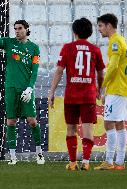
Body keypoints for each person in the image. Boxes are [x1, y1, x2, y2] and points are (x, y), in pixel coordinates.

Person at [0, 20, 45, 165]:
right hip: (10, 88)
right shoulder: (8, 43)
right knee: (11, 121)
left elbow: (34, 70)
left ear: (26, 29)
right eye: (15, 29)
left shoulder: (34, 48)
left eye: (20, 28)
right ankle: (13, 157)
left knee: (32, 121)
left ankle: (40, 154)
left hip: (26, 89)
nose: (17, 31)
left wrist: (30, 87)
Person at [48, 17, 105, 171]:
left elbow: (59, 71)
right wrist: (99, 89)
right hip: (88, 95)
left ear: (74, 32)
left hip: (71, 95)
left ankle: (73, 162)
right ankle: (86, 162)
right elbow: (101, 74)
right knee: (88, 129)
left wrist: (52, 91)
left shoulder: (67, 48)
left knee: (71, 128)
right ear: (90, 32)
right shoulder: (95, 50)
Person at [94, 13, 127, 171]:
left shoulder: (115, 41)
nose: (99, 30)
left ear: (109, 25)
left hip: (116, 89)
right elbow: (114, 65)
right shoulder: (121, 40)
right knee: (119, 124)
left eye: (101, 26)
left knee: (109, 123)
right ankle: (120, 162)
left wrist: (102, 86)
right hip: (122, 88)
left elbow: (114, 67)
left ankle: (109, 161)